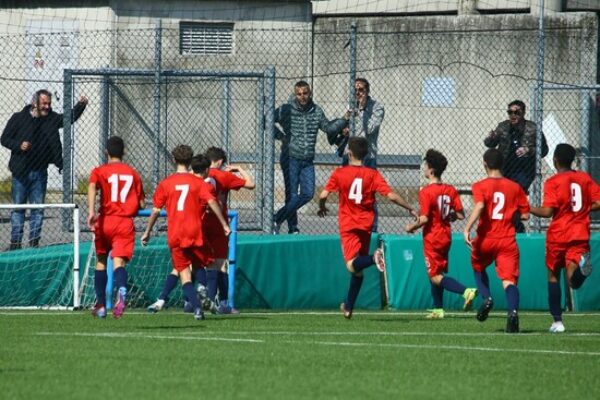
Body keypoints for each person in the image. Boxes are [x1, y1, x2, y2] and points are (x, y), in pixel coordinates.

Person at [317, 137, 417, 319]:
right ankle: (348, 306)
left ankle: (374, 258)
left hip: (348, 225)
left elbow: (323, 194)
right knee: (358, 271)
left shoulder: (340, 173)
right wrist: (410, 208)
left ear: (349, 153)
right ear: (366, 155)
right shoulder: (372, 175)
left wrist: (322, 206)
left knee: (350, 264)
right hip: (365, 225)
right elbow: (392, 196)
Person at [141, 146, 230, 321]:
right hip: (195, 231)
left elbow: (156, 211)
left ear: (174, 160)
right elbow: (213, 202)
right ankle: (203, 289)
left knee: (183, 273)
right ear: (190, 162)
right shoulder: (198, 183)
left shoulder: (166, 184)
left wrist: (147, 231)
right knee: (200, 265)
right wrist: (224, 224)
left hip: (175, 234)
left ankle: (195, 308)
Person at [1, 89, 88, 249]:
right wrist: (19, 145)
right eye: (44, 103)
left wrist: (80, 105)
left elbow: (68, 118)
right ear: (35, 103)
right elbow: (4, 138)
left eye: (49, 103)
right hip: (20, 172)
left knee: (38, 209)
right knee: (19, 208)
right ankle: (15, 242)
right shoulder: (19, 118)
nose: (47, 106)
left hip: (40, 171)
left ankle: (34, 242)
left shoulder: (51, 119)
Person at [529, 143, 600, 333]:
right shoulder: (584, 179)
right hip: (579, 233)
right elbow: (598, 201)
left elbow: (547, 211)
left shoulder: (553, 182)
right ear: (572, 161)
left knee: (553, 275)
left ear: (555, 160)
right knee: (572, 280)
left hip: (559, 234)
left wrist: (528, 208)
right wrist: (585, 208)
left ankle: (557, 322)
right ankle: (581, 273)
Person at [463, 149, 530, 333]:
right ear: (503, 164)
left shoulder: (480, 185)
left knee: (477, 266)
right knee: (509, 281)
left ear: (484, 163)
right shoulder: (515, 187)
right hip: (507, 240)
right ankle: (513, 312)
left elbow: (480, 205)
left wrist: (467, 228)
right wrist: (512, 214)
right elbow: (525, 216)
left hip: (486, 239)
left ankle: (487, 298)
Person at [405, 149, 478, 319]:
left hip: (432, 237)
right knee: (437, 273)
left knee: (435, 276)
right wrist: (448, 215)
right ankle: (438, 310)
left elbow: (423, 219)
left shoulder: (426, 192)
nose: (424, 169)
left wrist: (411, 227)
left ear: (431, 170)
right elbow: (460, 214)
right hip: (446, 236)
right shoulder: (450, 189)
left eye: (425, 166)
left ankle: (466, 291)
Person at [273, 80, 347, 234]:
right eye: (299, 94)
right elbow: (266, 120)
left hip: (308, 160)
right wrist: (281, 136)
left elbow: (328, 127)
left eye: (305, 93)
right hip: (290, 158)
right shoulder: (286, 110)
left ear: (310, 93)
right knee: (291, 195)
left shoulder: (316, 111)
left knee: (308, 194)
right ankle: (293, 228)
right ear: (295, 95)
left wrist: (344, 119)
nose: (302, 97)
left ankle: (277, 218)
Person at [87, 136, 145, 319]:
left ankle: (101, 305)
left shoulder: (99, 171)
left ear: (106, 152)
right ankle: (121, 289)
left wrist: (90, 211)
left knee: (101, 260)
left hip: (105, 221)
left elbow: (91, 186)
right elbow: (142, 203)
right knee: (118, 262)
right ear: (124, 152)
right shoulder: (133, 173)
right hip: (124, 222)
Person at [203, 147, 255, 314]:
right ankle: (222, 303)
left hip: (200, 221)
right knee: (220, 263)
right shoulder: (224, 175)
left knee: (195, 263)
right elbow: (251, 184)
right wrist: (240, 169)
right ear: (219, 161)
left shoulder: (197, 174)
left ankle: (190, 301)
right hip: (218, 222)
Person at [484, 100, 547, 232]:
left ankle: (515, 227)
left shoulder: (532, 128)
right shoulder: (503, 126)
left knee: (514, 197)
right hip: (505, 169)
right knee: (508, 199)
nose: (513, 115)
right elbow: (489, 144)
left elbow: (544, 150)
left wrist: (528, 150)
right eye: (510, 112)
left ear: (523, 113)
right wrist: (491, 137)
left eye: (516, 112)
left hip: (524, 170)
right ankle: (513, 227)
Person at [337, 78, 385, 231]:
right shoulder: (351, 107)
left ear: (367, 91)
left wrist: (363, 110)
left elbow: (370, 129)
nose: (358, 93)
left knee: (368, 194)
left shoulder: (377, 107)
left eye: (361, 90)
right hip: (350, 155)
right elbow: (343, 126)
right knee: (346, 193)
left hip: (367, 156)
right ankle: (349, 225)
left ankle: (372, 227)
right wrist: (345, 127)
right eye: (355, 91)